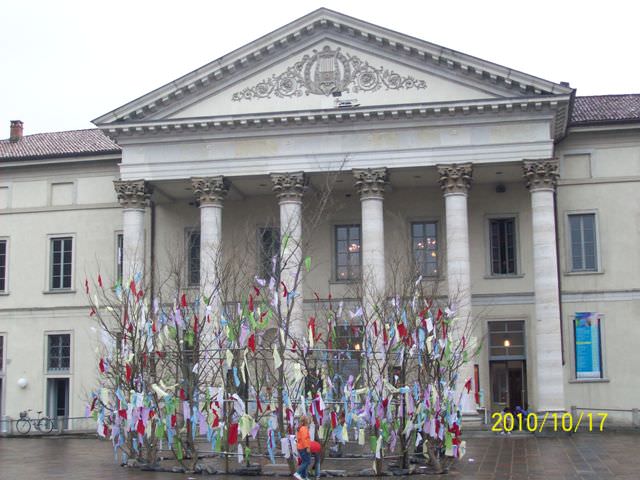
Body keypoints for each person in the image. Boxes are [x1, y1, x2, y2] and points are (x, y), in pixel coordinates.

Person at [294, 416, 311, 480]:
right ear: (305, 421)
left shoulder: (300, 428)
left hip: (301, 447)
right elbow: (304, 439)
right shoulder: (304, 428)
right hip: (304, 447)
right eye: (308, 420)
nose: (309, 421)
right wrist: (307, 447)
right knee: (307, 462)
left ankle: (304, 477)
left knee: (304, 461)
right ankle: (297, 473)